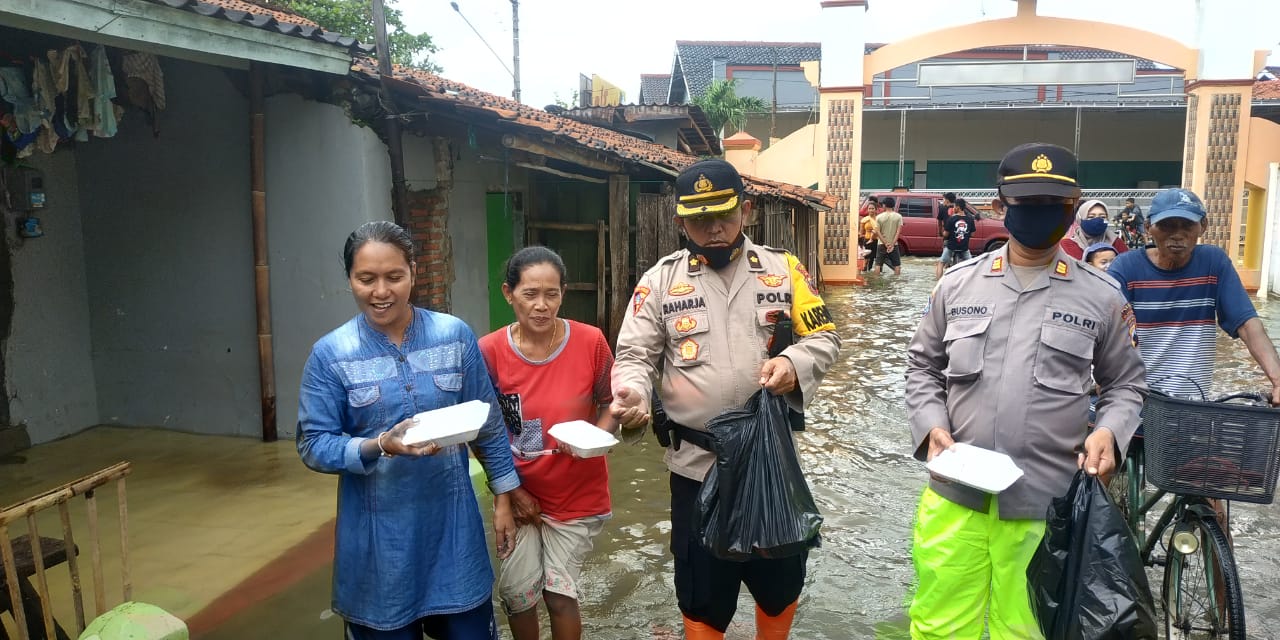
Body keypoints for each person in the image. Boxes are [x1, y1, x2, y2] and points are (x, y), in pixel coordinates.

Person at [905, 143, 1148, 640]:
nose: (1039, 214)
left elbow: (1126, 385)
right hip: (956, 497)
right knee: (938, 625)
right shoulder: (956, 286)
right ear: (1000, 206)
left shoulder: (1102, 296)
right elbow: (922, 366)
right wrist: (930, 425)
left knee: (1030, 629)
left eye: (1052, 205)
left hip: (1046, 504)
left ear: (1073, 205)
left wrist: (1110, 434)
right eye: (1026, 203)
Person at [609, 158, 841, 640]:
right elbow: (634, 356)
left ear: (747, 211)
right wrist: (630, 394)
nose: (713, 228)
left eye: (725, 215)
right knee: (702, 594)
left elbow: (824, 338)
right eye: (698, 219)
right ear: (680, 222)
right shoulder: (659, 282)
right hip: (697, 467)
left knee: (780, 581)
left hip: (770, 460)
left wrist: (793, 364)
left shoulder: (784, 270)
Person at [296, 221, 521, 640]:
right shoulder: (331, 355)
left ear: (413, 273)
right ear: (350, 280)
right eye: (367, 279)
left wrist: (503, 497)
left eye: (394, 277)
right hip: (378, 547)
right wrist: (378, 444)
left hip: (453, 535)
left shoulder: (453, 336)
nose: (381, 291)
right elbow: (313, 444)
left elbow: (487, 423)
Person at [478, 246, 617, 640]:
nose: (542, 306)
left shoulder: (591, 342)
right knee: (517, 594)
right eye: (529, 294)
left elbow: (612, 401)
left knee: (559, 593)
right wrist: (507, 496)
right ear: (509, 293)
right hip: (517, 487)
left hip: (577, 491)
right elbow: (483, 432)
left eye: (551, 294)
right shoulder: (488, 352)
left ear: (563, 293)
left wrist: (598, 436)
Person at [1107, 188, 1280, 405]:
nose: (1177, 235)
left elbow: (1247, 324)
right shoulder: (1126, 268)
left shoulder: (1213, 264)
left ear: (1203, 226)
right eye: (1167, 225)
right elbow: (1105, 328)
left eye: (1187, 225)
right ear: (1149, 227)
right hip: (1134, 399)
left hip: (1193, 403)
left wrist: (1277, 380)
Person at [1058, 199, 1127, 260]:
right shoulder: (1067, 245)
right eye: (1091, 217)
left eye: (1102, 217)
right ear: (1080, 219)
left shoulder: (1117, 243)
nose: (1097, 220)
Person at [937, 198, 976, 278]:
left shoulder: (952, 219)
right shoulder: (970, 219)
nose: (953, 208)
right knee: (972, 265)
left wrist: (942, 233)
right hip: (964, 248)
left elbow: (946, 234)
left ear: (958, 207)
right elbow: (973, 234)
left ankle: (938, 283)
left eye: (954, 206)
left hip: (951, 247)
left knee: (941, 263)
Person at [874, 196, 903, 275]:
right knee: (897, 265)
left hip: (881, 244)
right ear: (893, 205)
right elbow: (898, 232)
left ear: (884, 205)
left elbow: (877, 232)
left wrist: (885, 243)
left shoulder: (879, 217)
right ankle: (896, 283)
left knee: (878, 264)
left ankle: (876, 281)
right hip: (894, 245)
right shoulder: (898, 216)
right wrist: (892, 244)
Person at [860, 196, 880, 272]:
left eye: (872, 208)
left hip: (877, 241)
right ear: (867, 210)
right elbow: (861, 233)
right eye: (869, 208)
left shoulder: (879, 219)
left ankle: (872, 271)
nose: (871, 210)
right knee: (866, 259)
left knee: (874, 259)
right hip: (867, 240)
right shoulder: (864, 220)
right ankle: (865, 272)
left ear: (876, 210)